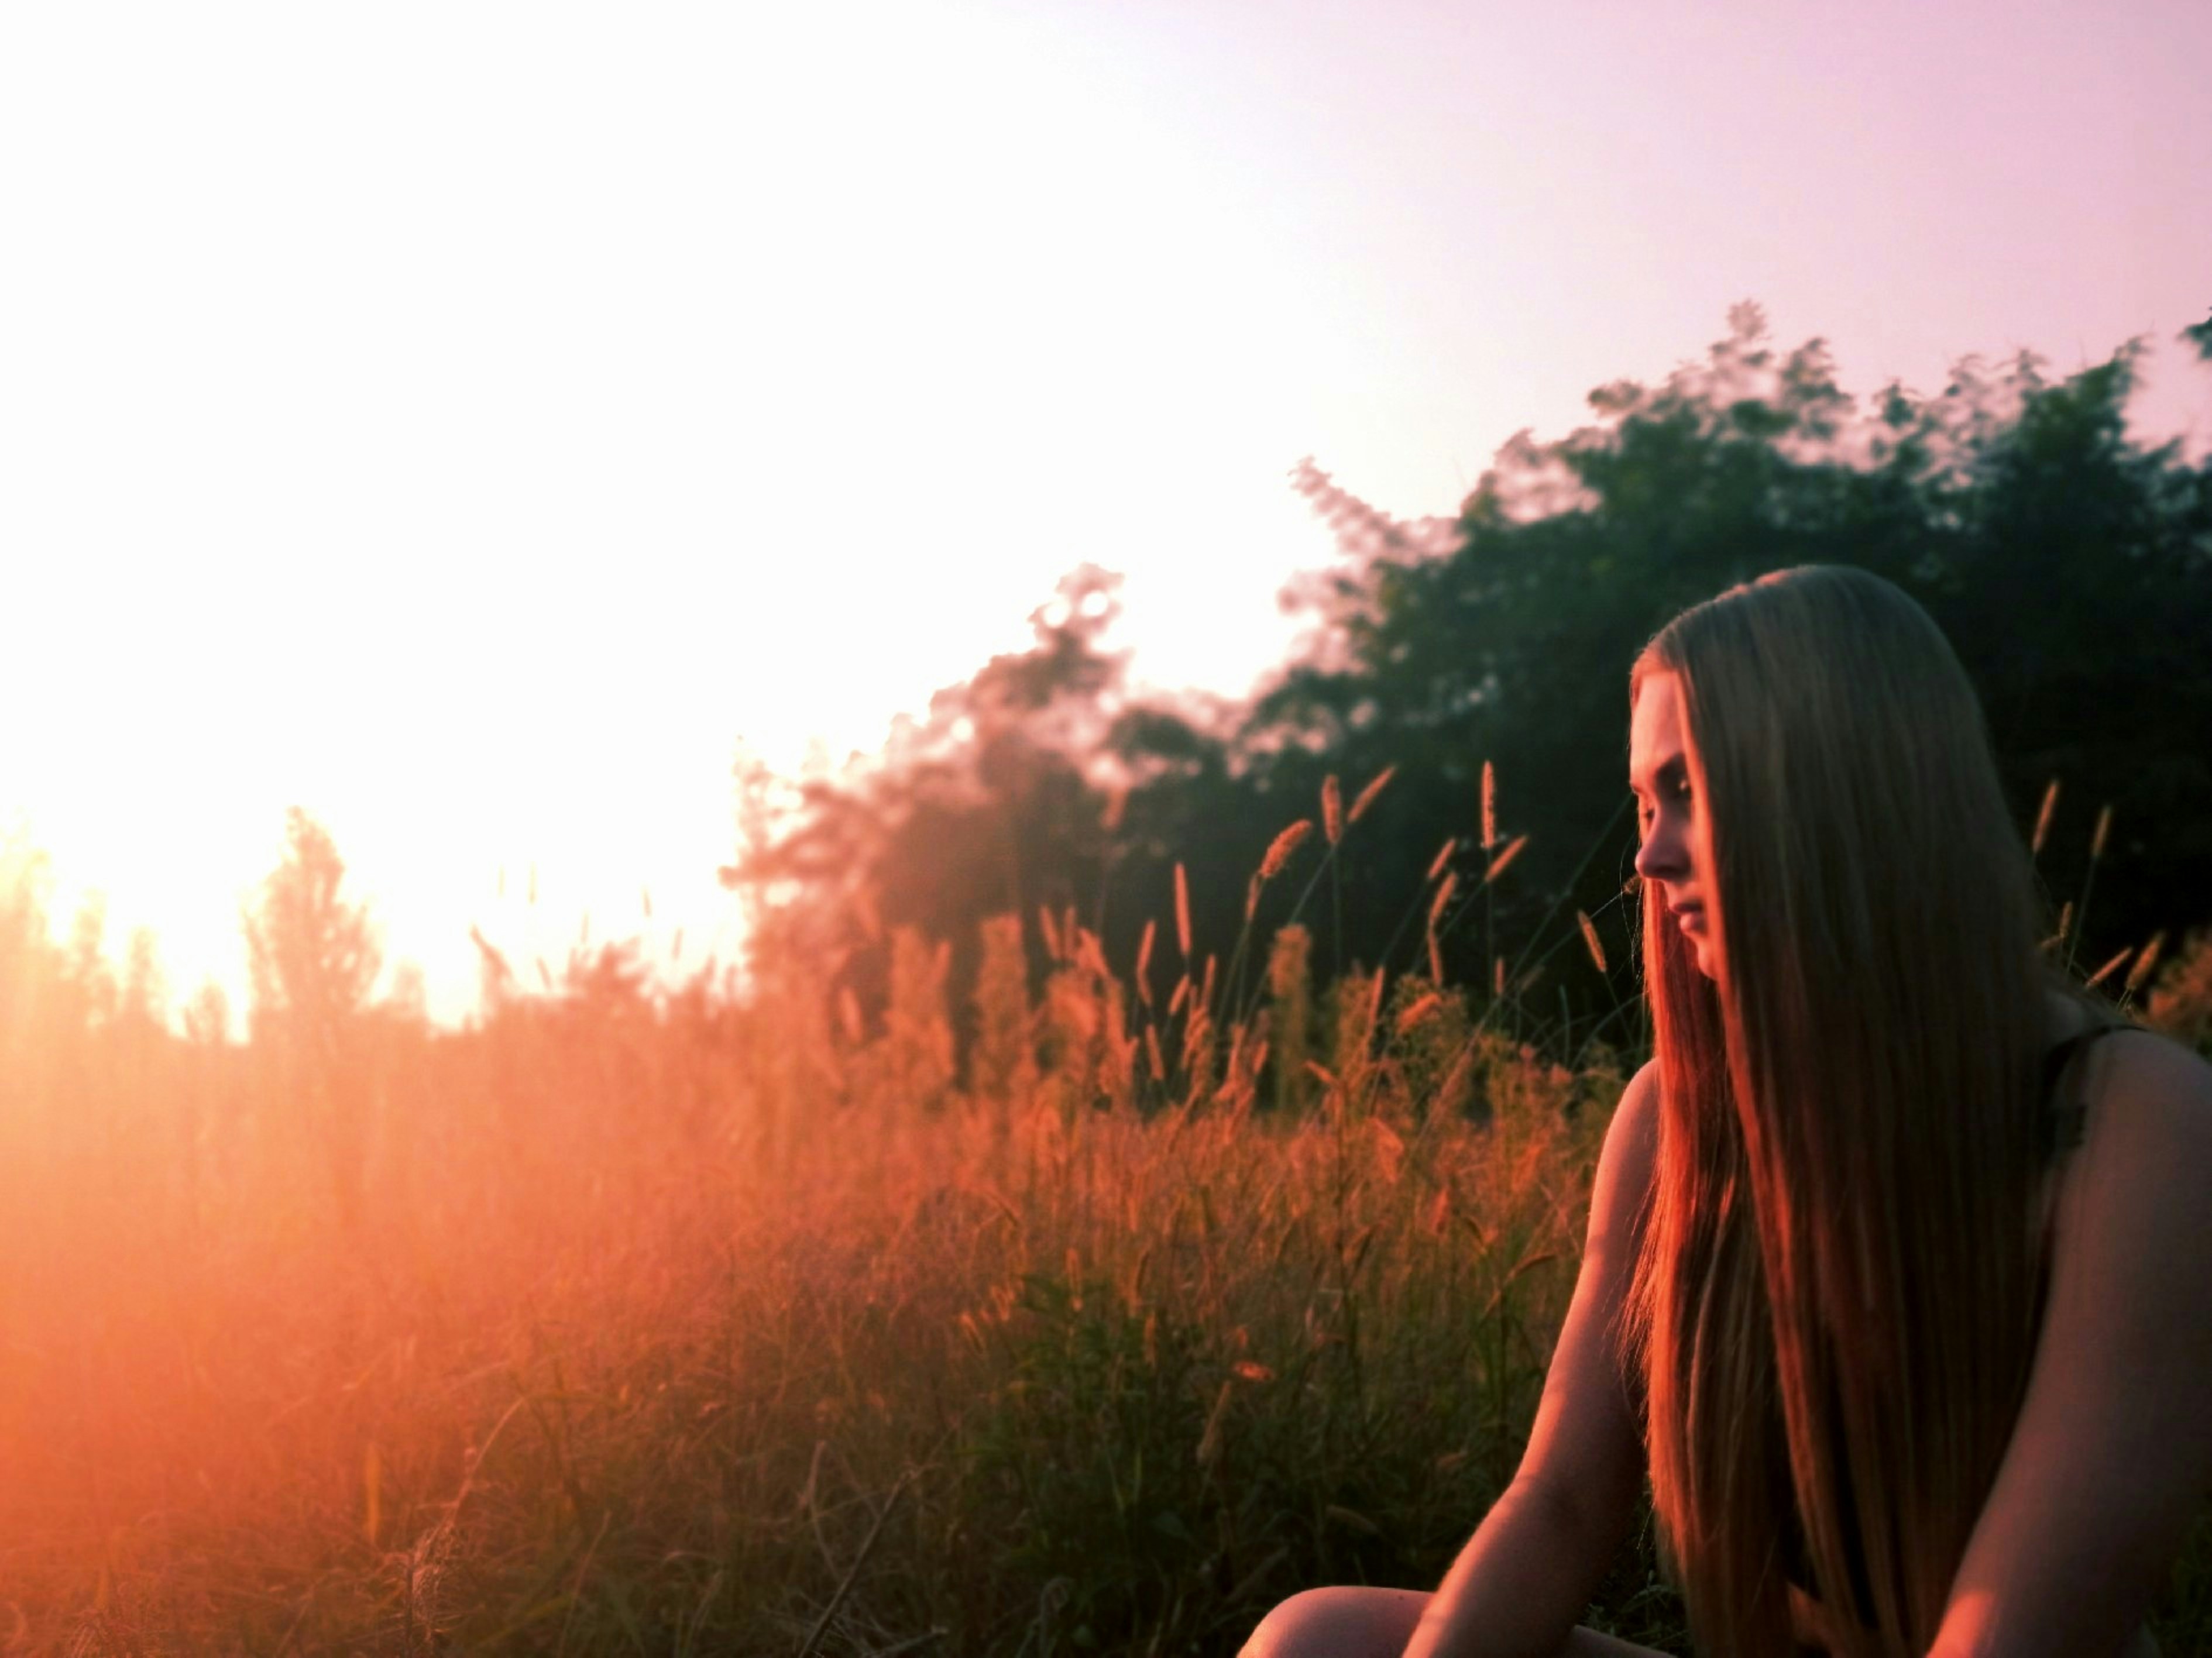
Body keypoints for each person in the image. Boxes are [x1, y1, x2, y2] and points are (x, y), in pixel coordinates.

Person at [1242, 565, 2210, 1657]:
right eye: (1645, 806)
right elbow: (1559, 1504)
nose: (1648, 856)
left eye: (1691, 789)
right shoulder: (1677, 1121)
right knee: (1318, 1639)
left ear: (1842, 782)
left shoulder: (2134, 1120)